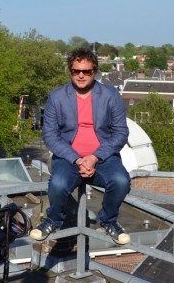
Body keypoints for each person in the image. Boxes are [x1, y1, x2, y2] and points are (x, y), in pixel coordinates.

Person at [30, 48, 131, 245]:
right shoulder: (56, 97)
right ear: (70, 71)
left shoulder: (110, 96)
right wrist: (77, 159)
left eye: (86, 71)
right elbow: (50, 135)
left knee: (120, 181)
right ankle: (53, 219)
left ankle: (109, 221)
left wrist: (94, 158)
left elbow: (121, 133)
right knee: (58, 185)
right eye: (76, 71)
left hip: (103, 159)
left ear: (95, 71)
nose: (81, 75)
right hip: (69, 159)